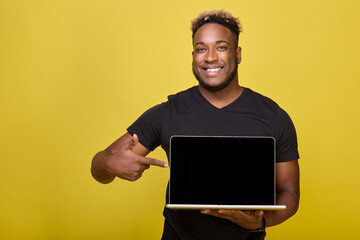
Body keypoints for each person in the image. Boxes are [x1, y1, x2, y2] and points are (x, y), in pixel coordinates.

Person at [91, 10, 300, 240]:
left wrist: (259, 222)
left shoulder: (273, 116)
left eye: (221, 47)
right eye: (201, 49)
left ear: (238, 54)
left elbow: (289, 192)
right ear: (193, 56)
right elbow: (99, 166)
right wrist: (109, 164)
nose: (210, 57)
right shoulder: (167, 112)